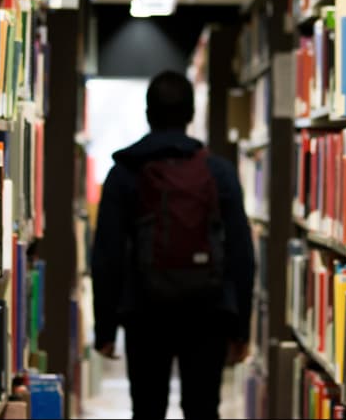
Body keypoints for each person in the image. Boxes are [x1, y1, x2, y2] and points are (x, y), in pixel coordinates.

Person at [91, 70, 256, 419]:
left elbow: (107, 254)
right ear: (191, 114)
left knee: (148, 409)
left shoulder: (124, 171)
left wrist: (105, 327)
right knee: (202, 409)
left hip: (145, 311)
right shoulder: (219, 171)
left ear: (148, 113)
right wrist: (240, 328)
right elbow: (241, 252)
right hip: (208, 311)